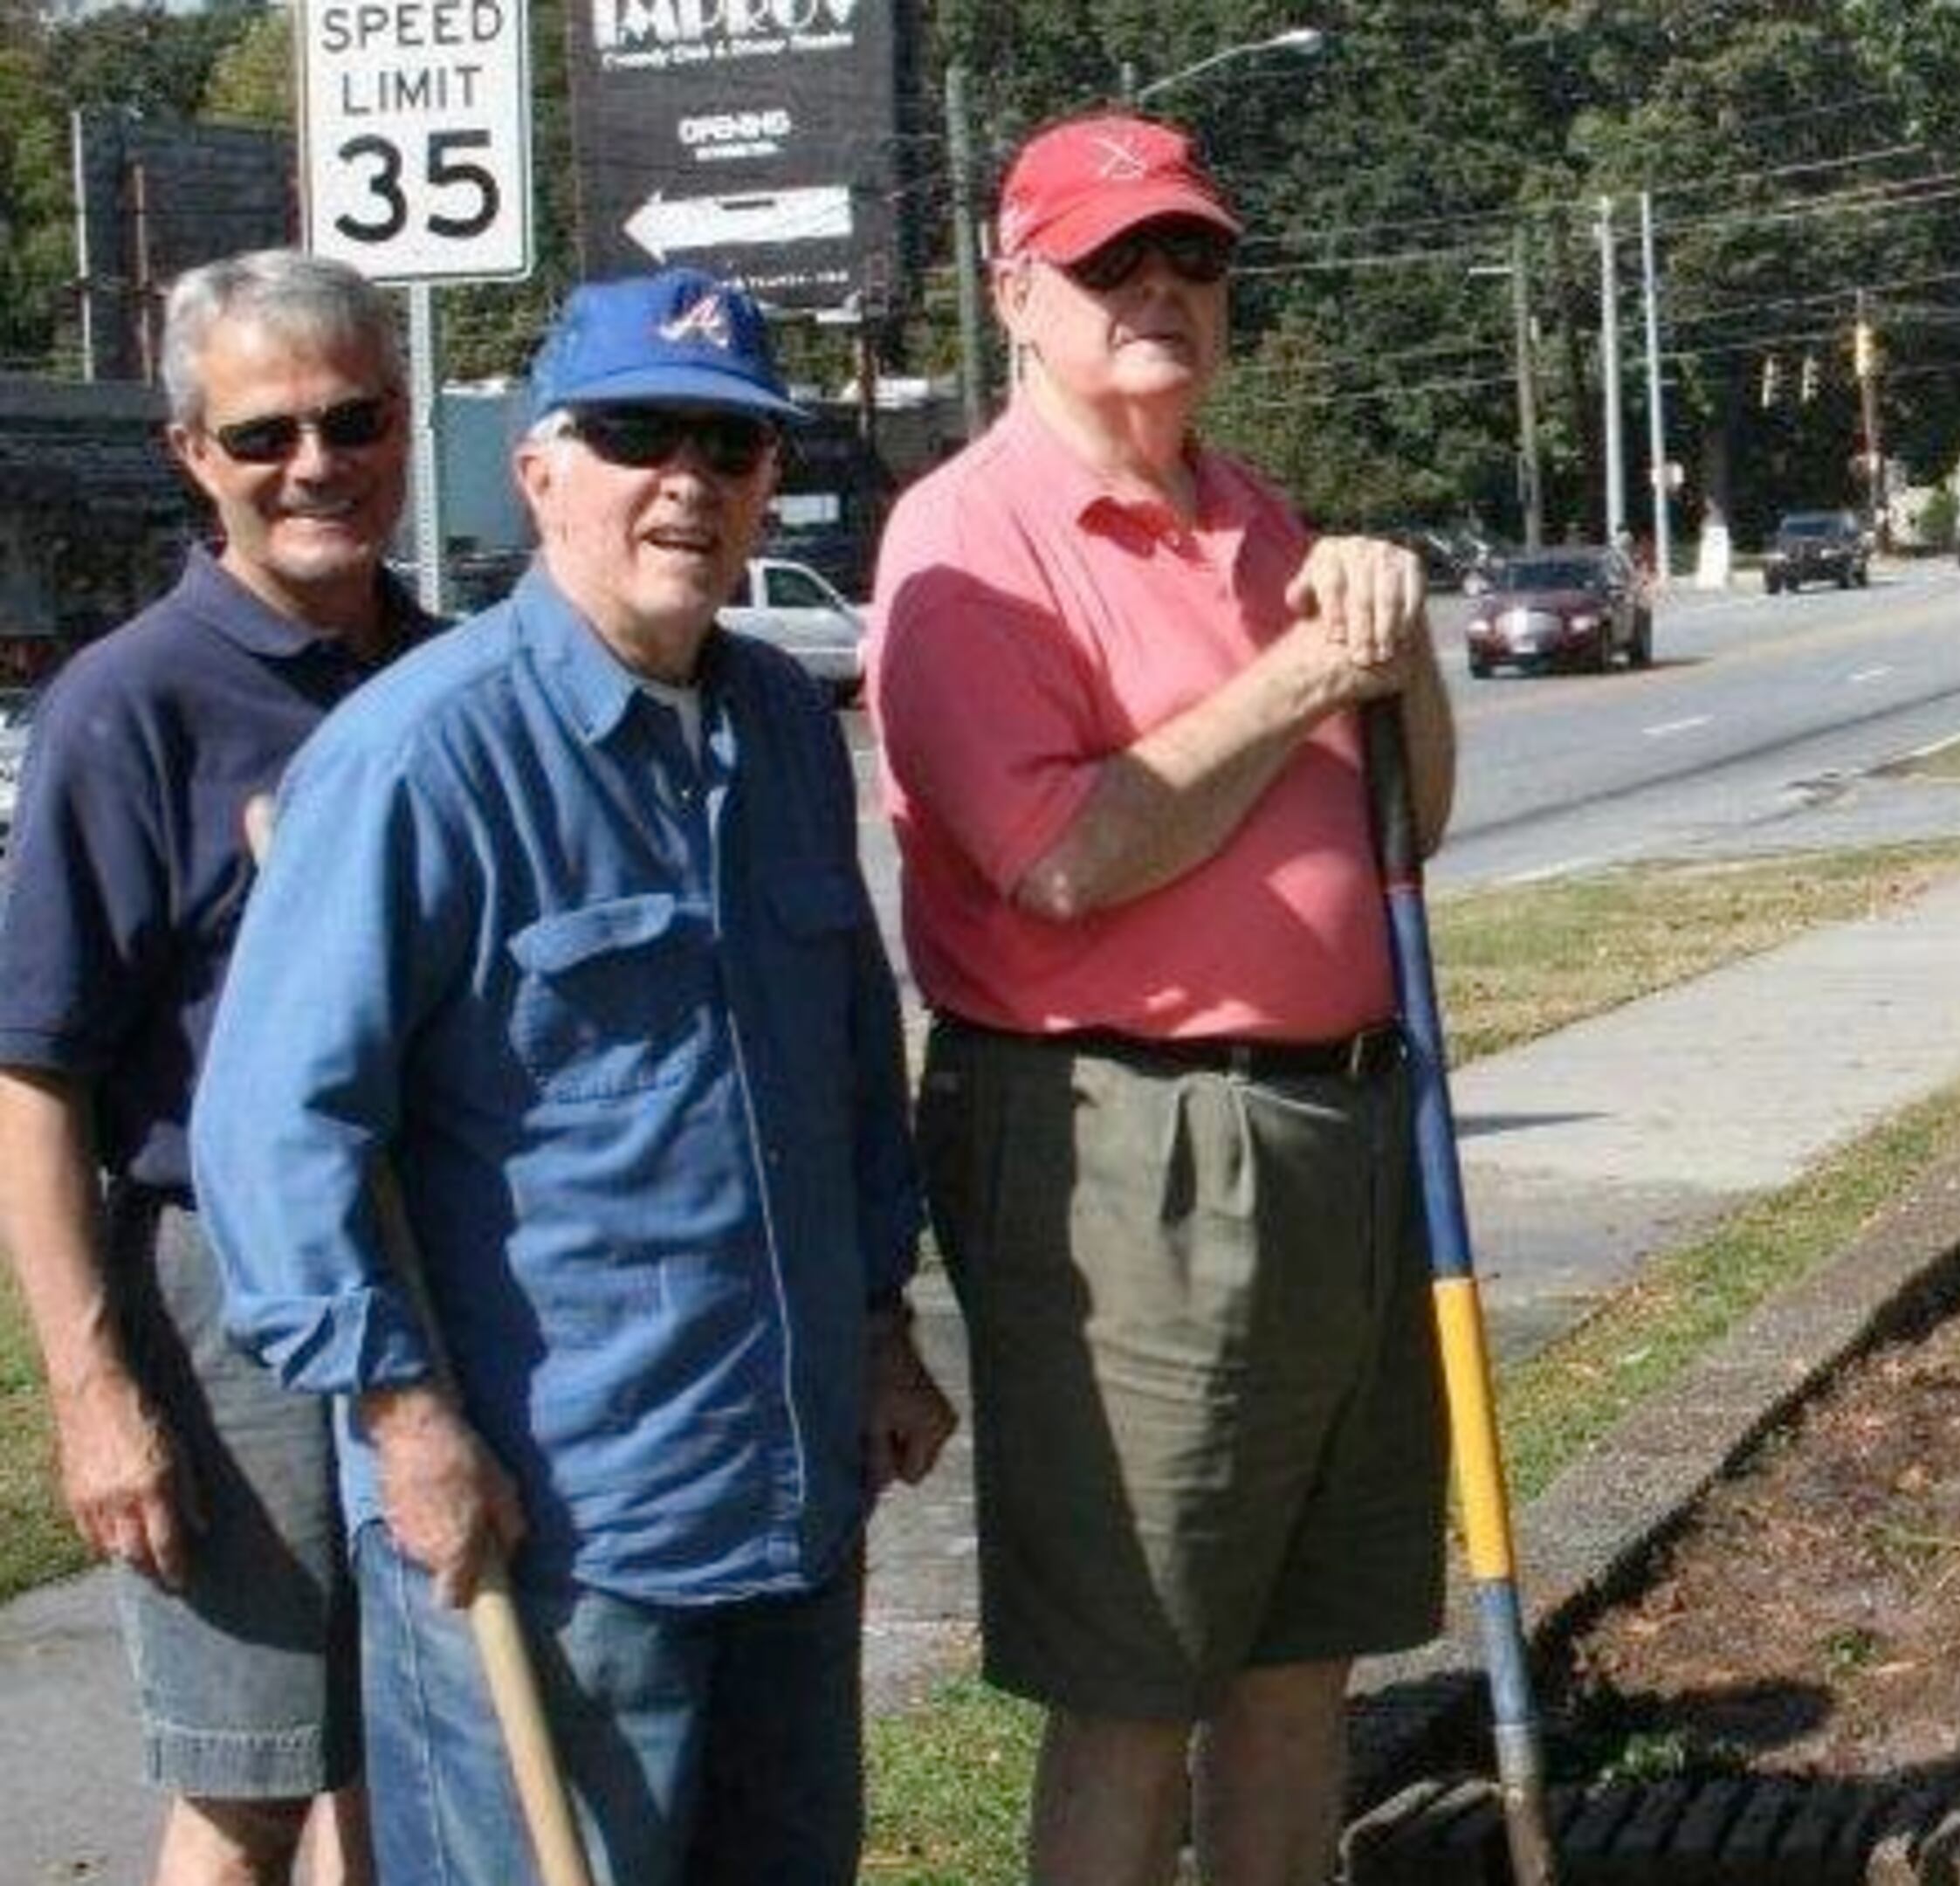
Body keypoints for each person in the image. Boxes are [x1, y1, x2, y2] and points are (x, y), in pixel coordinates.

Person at [189, 265, 956, 1886]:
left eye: (729, 447)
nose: (687, 479)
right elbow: (274, 1136)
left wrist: (884, 1324)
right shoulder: (420, 757)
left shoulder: (786, 730)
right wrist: (403, 1420)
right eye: (634, 434)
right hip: (559, 1537)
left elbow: (842, 1059)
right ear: (540, 470)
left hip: (790, 1495)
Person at [866, 111, 1456, 1886]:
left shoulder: (1261, 517)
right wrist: (1302, 674)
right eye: (1112, 262)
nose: (1162, 292)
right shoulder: (968, 544)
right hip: (1129, 1149)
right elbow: (1059, 859)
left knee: (1299, 1668)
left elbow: (1405, 816)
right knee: (1138, 1674)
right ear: (1015, 296)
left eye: (1192, 257)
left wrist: (1401, 651)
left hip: (1345, 1124)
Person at [0, 247, 426, 1886]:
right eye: (263, 436)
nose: (314, 463)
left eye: (352, 418)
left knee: (404, 1748)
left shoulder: (447, 679)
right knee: (253, 1777)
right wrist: (94, 1392)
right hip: (226, 1295)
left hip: (435, 1268)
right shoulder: (129, 708)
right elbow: (34, 1074)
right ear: (192, 454)